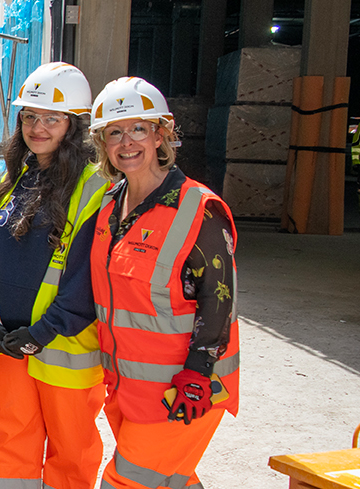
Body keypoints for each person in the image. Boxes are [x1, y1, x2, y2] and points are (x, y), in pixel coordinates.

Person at [85, 77, 239, 489]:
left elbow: (219, 299)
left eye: (139, 128)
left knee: (126, 481)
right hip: (125, 386)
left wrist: (198, 373)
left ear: (161, 134)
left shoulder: (198, 208)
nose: (127, 141)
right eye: (115, 132)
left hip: (183, 389)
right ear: (103, 143)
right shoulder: (108, 206)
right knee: (171, 481)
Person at [0, 63, 108, 489]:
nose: (38, 126)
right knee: (9, 447)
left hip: (63, 347)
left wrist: (46, 330)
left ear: (73, 125)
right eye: (30, 116)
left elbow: (89, 277)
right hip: (11, 341)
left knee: (70, 454)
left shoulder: (96, 187)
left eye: (52, 118)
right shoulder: (16, 180)